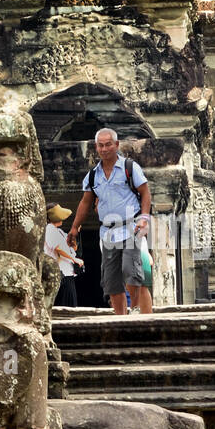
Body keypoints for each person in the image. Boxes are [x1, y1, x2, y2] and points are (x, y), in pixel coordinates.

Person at [68, 128, 152, 315]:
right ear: (96, 148)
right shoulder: (93, 175)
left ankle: (135, 309)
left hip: (131, 226)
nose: (104, 149)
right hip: (107, 231)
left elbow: (145, 193)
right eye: (100, 145)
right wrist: (75, 227)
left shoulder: (129, 167)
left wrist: (144, 217)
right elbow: (85, 202)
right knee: (111, 281)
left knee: (131, 271)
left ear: (116, 145)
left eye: (108, 144)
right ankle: (120, 317)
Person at [43, 203, 83, 307]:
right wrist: (74, 259)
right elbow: (58, 248)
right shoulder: (49, 229)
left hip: (68, 273)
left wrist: (74, 236)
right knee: (65, 306)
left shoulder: (59, 231)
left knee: (71, 304)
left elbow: (72, 248)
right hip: (60, 274)